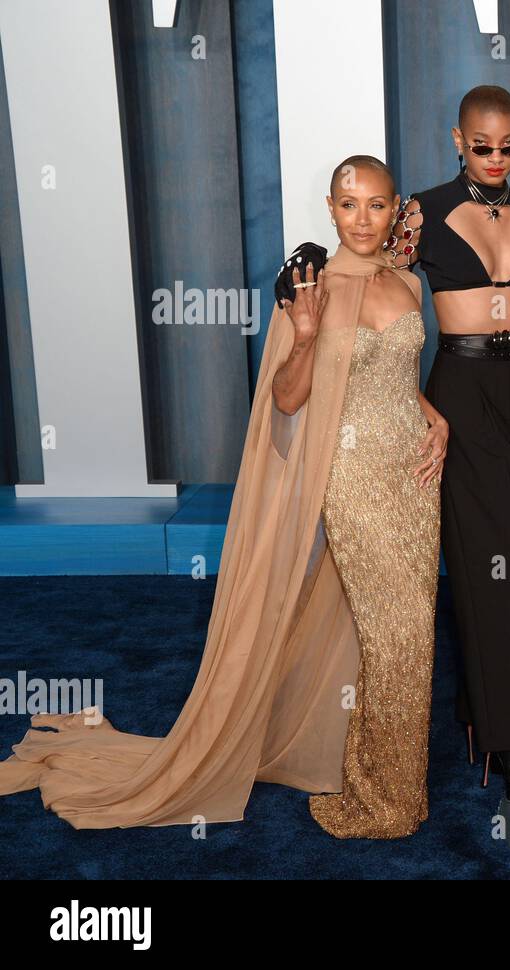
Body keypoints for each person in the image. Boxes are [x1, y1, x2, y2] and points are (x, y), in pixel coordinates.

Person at [0, 155, 448, 839]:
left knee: (409, 635)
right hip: (353, 483)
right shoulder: (312, 289)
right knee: (396, 640)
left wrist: (433, 416)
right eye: (350, 205)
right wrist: (303, 337)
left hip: (413, 479)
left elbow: (390, 373)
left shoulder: (408, 283)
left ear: (395, 210)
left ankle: (392, 786)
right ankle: (379, 797)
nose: (363, 220)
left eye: (378, 205)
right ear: (329, 207)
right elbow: (289, 400)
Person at [304, 86, 510, 802]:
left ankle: (479, 716)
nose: (495, 158)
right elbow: (368, 266)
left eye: (508, 145)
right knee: (500, 570)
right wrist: (304, 268)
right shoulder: (418, 211)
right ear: (457, 139)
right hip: (457, 391)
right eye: (481, 145)